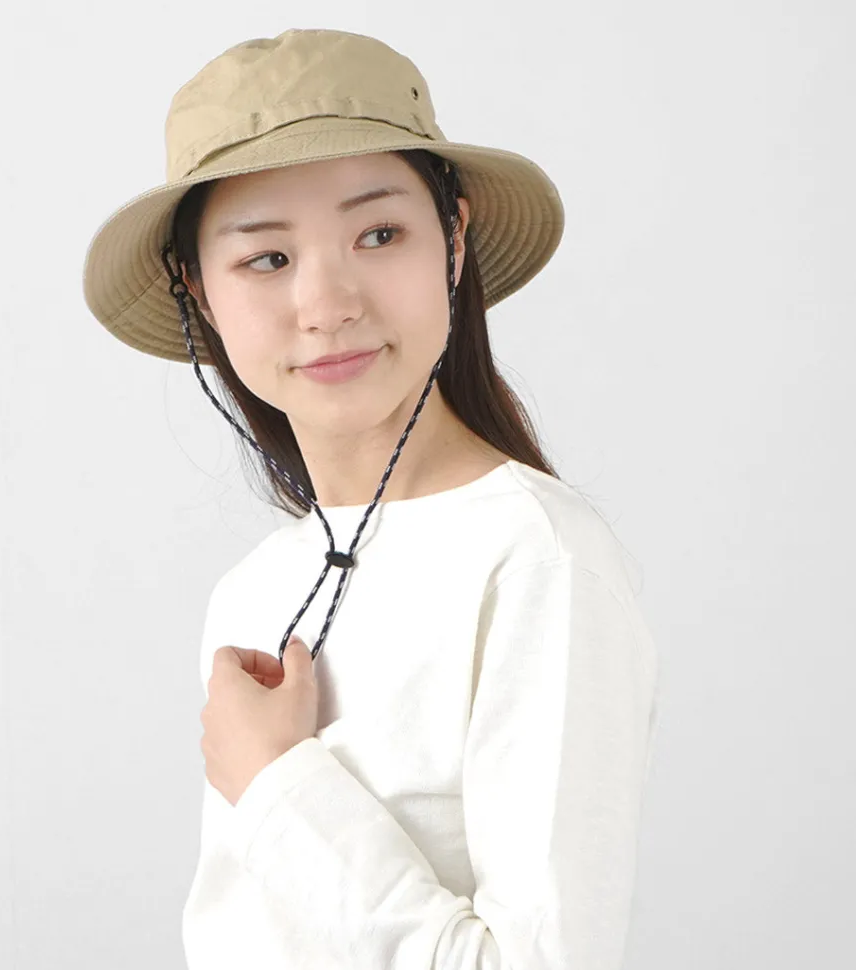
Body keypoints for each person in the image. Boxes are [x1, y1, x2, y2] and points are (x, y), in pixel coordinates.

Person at [83, 27, 661, 970]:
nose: (329, 303)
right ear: (199, 291)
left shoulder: (538, 561)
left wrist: (277, 782)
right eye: (267, 258)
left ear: (453, 242)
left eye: (379, 235)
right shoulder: (255, 593)